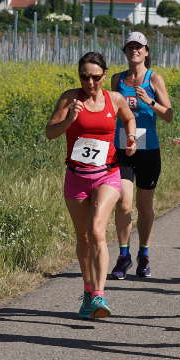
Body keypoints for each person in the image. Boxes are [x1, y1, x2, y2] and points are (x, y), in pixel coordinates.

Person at [46, 52, 137, 318]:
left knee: (97, 230)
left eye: (95, 77)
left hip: (107, 174)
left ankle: (99, 295)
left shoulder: (114, 99)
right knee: (83, 237)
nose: (90, 82)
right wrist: (69, 121)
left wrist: (130, 137)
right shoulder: (69, 99)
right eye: (84, 77)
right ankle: (87, 290)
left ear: (104, 76)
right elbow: (50, 133)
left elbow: (129, 117)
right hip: (76, 176)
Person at [109, 32, 173, 280]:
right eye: (130, 47)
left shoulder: (154, 78)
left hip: (148, 150)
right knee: (123, 203)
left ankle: (143, 254)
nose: (134, 50)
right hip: (123, 148)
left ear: (146, 51)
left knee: (144, 206)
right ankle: (123, 254)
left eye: (139, 47)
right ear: (125, 51)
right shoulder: (117, 80)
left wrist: (151, 101)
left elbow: (168, 115)